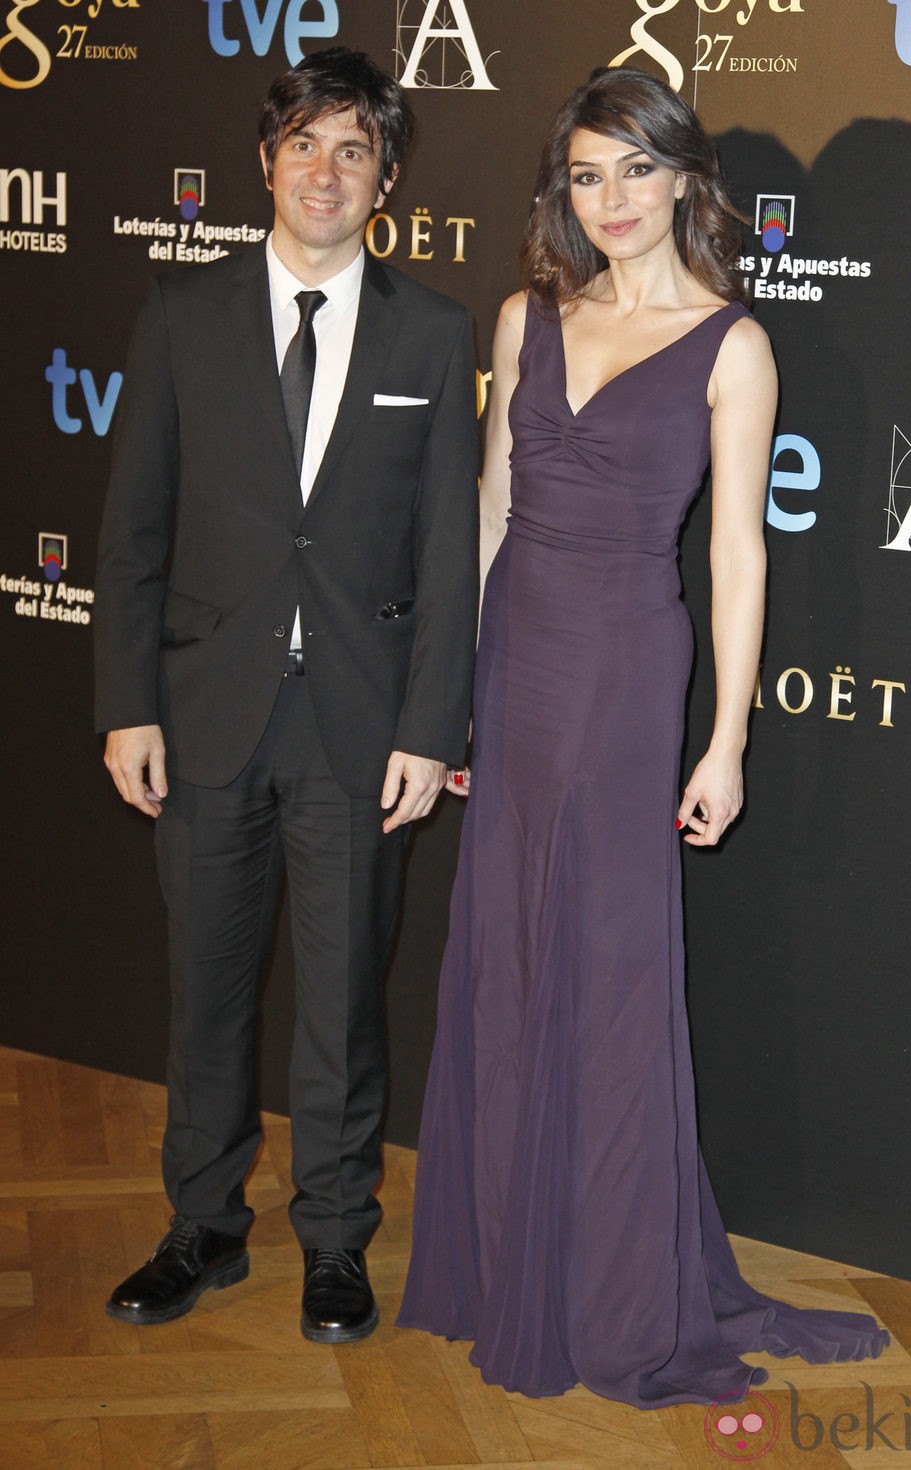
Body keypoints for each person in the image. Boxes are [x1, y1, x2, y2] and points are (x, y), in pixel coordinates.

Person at [397, 67, 888, 1405]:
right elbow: (492, 511)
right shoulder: (523, 319)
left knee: (609, 980)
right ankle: (512, 1260)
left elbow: (738, 554)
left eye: (634, 170)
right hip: (516, 667)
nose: (608, 199)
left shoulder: (734, 345)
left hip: (623, 672)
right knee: (504, 956)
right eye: (586, 173)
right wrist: (454, 700)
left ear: (686, 178)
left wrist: (725, 739)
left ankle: (611, 1286)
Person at [94, 47, 478, 1344]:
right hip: (203, 718)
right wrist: (126, 703)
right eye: (305, 144)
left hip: (359, 731)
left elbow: (445, 551)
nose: (327, 171)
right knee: (202, 993)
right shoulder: (180, 318)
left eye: (355, 150)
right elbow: (132, 532)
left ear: (389, 179)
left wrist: (432, 727)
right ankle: (200, 1223)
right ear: (265, 162)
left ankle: (333, 1239)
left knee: (341, 1003)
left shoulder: (433, 333)